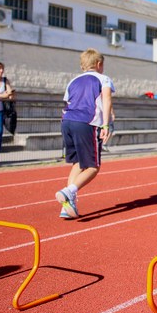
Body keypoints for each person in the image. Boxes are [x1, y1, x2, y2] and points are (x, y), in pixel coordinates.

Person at [56, 48, 114, 219]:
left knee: (77, 163)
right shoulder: (103, 79)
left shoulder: (72, 81)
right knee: (93, 167)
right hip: (87, 122)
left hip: (67, 121)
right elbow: (107, 98)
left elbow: (67, 102)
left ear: (83, 66)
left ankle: (67, 206)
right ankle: (68, 192)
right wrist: (105, 125)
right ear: (99, 64)